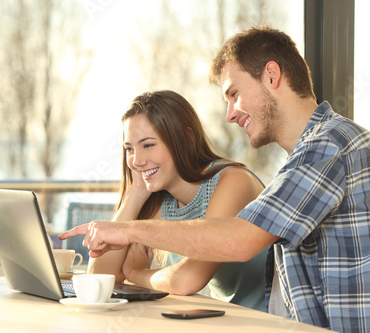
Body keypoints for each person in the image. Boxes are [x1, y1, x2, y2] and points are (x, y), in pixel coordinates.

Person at [60, 26, 370, 333]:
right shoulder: (310, 153)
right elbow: (103, 279)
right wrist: (135, 200)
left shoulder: (330, 145)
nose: (230, 115)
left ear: (272, 76)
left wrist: (128, 235)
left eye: (234, 94)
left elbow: (239, 241)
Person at [88, 90, 267, 311]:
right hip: (223, 321)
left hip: (267, 322)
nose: (136, 160)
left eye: (148, 145)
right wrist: (135, 193)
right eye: (129, 149)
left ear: (185, 139)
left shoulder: (234, 182)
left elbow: (187, 279)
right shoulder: (162, 198)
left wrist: (135, 274)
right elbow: (98, 280)